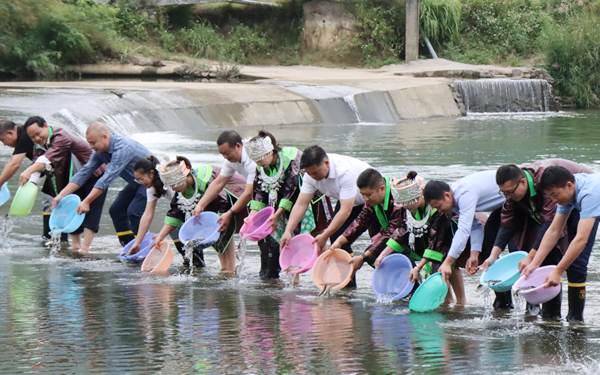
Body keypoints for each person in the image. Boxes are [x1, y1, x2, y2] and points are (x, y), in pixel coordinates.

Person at [481, 159, 592, 318]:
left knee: (576, 262)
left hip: (578, 199)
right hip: (560, 204)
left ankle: (575, 318)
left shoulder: (546, 183)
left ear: (523, 182)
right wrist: (492, 256)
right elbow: (507, 223)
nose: (508, 197)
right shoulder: (515, 193)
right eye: (504, 193)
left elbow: (549, 225)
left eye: (511, 192)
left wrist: (533, 258)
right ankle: (551, 315)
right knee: (544, 257)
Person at [245, 131, 330, 279]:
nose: (258, 163)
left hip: (310, 200)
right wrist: (251, 216)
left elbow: (292, 188)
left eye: (260, 158)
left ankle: (325, 273)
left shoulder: (290, 158)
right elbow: (259, 192)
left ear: (270, 151)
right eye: (255, 160)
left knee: (318, 237)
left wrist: (277, 214)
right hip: (284, 205)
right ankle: (294, 279)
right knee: (289, 238)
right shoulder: (260, 167)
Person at [53, 122, 153, 246]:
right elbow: (84, 173)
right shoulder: (99, 152)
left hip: (152, 181)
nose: (90, 147)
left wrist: (87, 201)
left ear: (105, 136)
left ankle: (145, 246)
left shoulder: (122, 148)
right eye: (89, 142)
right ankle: (129, 246)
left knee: (134, 212)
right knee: (116, 210)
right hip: (137, 182)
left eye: (93, 143)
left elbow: (107, 178)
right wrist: (61, 195)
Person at [374, 172, 467, 305]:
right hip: (431, 242)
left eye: (408, 204)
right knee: (437, 270)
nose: (406, 208)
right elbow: (401, 231)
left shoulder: (437, 209)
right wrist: (382, 255)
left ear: (418, 198)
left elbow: (436, 242)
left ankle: (461, 302)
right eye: (403, 204)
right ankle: (447, 301)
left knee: (445, 266)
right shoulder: (406, 210)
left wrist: (418, 268)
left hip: (447, 238)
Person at [521, 166, 600, 323]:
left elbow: (581, 239)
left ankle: (577, 321)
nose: (554, 200)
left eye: (555, 195)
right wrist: (534, 264)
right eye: (551, 196)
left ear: (569, 185)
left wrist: (558, 270)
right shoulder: (569, 194)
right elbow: (554, 231)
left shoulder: (589, 193)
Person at [18, 116, 107, 252]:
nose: (36, 138)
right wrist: (28, 187)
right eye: (32, 137)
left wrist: (28, 171)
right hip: (73, 180)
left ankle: (85, 248)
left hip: (94, 174)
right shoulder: (38, 146)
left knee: (91, 210)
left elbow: (47, 158)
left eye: (38, 133)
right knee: (72, 210)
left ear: (46, 126)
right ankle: (76, 246)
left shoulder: (61, 136)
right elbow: (37, 166)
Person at [152, 157, 246, 270]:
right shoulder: (181, 190)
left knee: (221, 228)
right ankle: (225, 267)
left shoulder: (204, 181)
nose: (172, 188)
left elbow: (221, 203)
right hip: (214, 205)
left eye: (173, 185)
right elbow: (176, 214)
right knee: (216, 230)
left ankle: (229, 269)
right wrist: (161, 236)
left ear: (183, 178)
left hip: (233, 195)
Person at [423, 170, 505, 300]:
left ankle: (508, 298)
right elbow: (475, 226)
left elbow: (463, 230)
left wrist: (448, 262)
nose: (440, 211)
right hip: (502, 206)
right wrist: (474, 255)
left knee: (495, 246)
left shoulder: (464, 195)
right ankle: (503, 299)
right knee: (487, 250)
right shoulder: (453, 202)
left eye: (439, 206)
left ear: (447, 195)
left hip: (514, 198)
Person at [280, 146, 371, 258]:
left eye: (315, 173)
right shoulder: (310, 176)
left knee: (378, 240)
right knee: (338, 239)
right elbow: (301, 204)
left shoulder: (344, 172)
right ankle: (346, 274)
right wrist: (288, 231)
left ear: (327, 164)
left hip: (373, 199)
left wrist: (325, 235)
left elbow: (345, 211)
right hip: (348, 201)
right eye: (310, 174)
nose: (313, 177)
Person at [328, 168, 406, 281]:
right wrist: (339, 241)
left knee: (373, 256)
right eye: (362, 195)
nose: (365, 199)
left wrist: (363, 257)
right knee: (372, 257)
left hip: (412, 239)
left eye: (368, 195)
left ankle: (408, 287)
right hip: (396, 239)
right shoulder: (373, 200)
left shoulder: (398, 199)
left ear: (382, 189)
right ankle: (396, 286)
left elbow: (392, 232)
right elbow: (361, 221)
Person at [0, 119, 63, 241]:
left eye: (3, 140)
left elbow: (15, 164)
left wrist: (0, 183)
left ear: (10, 133)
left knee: (52, 200)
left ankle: (54, 239)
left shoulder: (24, 136)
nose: (4, 144)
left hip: (61, 167)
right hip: (52, 167)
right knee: (49, 199)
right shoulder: (23, 136)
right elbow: (13, 162)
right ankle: (51, 237)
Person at [192, 130, 254, 236]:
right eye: (222, 154)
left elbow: (249, 193)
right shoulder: (230, 161)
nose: (225, 157)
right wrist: (200, 205)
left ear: (238, 146)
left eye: (227, 153)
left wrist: (229, 213)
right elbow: (218, 183)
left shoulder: (251, 160)